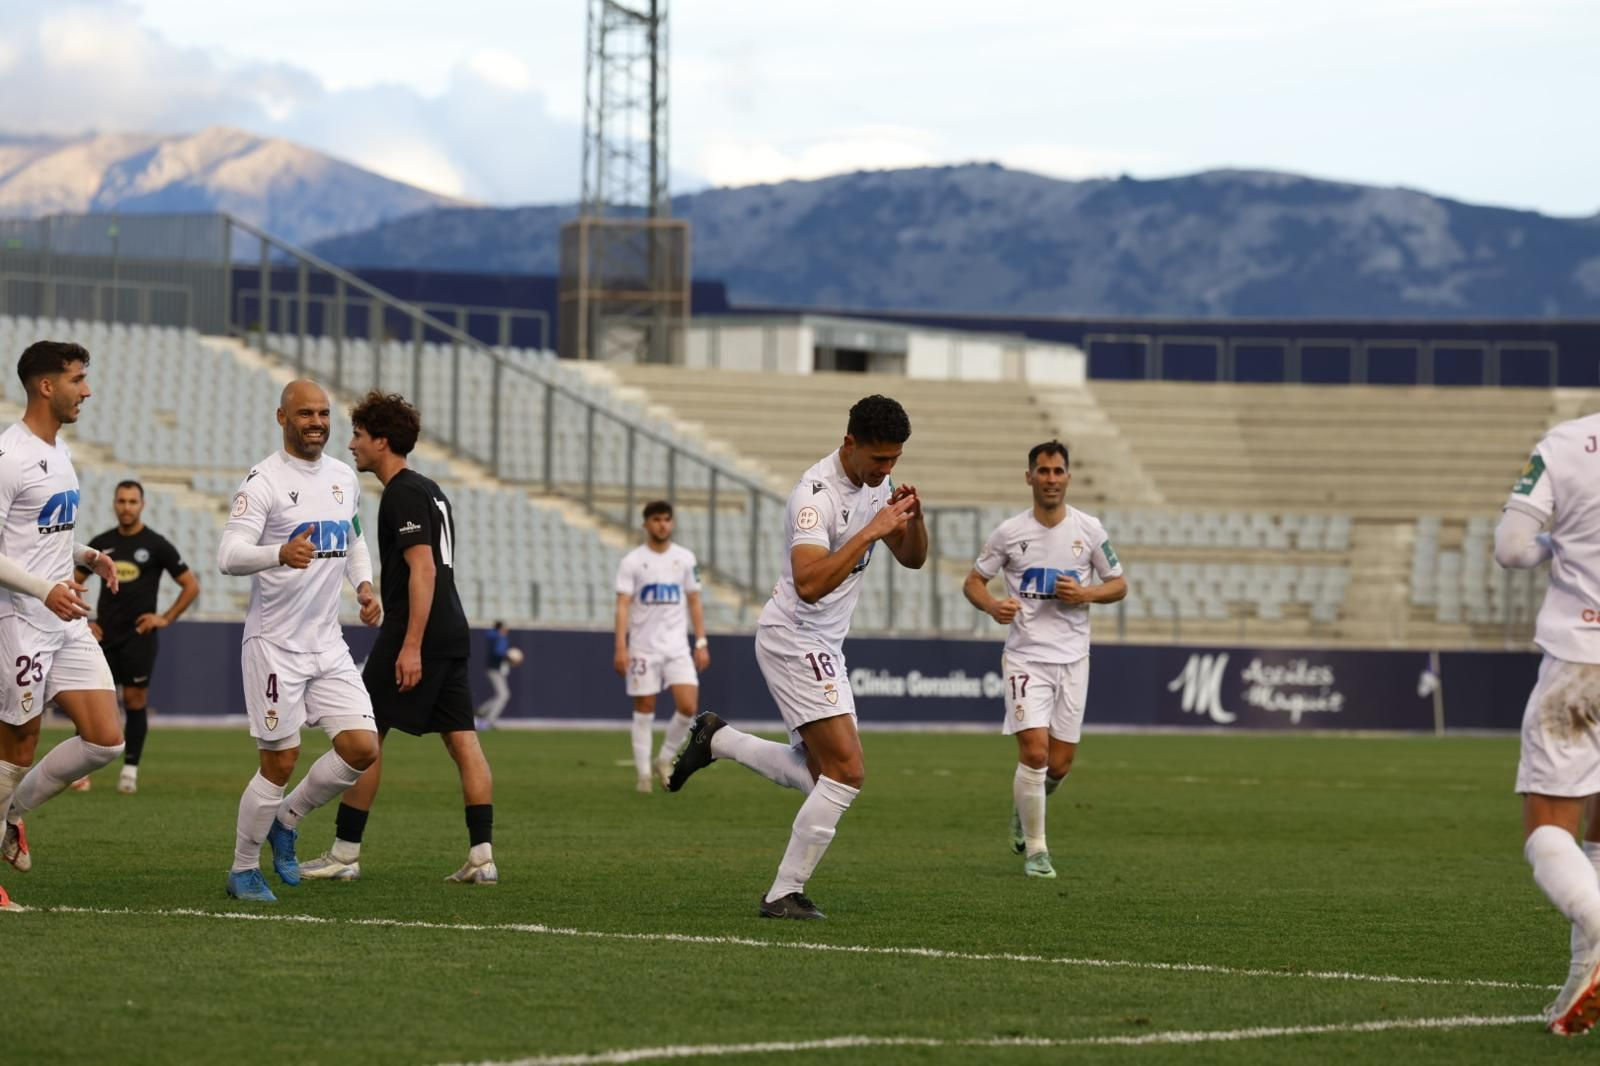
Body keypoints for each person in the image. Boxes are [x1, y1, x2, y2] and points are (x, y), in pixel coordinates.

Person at [667, 395, 924, 919]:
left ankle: (719, 739)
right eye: (879, 458)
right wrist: (872, 530)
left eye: (895, 459)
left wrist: (913, 520)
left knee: (821, 776)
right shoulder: (814, 496)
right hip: (794, 637)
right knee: (846, 772)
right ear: (850, 443)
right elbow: (808, 584)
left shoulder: (877, 485)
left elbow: (913, 558)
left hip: (825, 643)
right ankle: (783, 892)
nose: (887, 468)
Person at [299, 390, 497, 885]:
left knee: (366, 736)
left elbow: (423, 569)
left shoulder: (402, 493)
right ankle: (482, 856)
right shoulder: (430, 489)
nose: (351, 445)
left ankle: (345, 853)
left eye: (359, 435)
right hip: (450, 628)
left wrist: (410, 645)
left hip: (419, 633)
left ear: (382, 441)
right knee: (464, 741)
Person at [216, 379, 381, 903]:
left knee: (362, 747)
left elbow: (353, 539)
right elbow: (228, 555)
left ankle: (285, 820)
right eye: (306, 413)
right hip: (275, 645)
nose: (317, 423)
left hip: (327, 643)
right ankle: (243, 869)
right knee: (280, 762)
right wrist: (278, 554)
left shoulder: (342, 477)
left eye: (324, 414)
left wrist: (364, 586)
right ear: (282, 417)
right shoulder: (263, 480)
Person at [961, 441, 1125, 880]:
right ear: (1029, 477)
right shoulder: (1009, 533)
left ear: (1068, 477)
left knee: (1059, 764)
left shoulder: (1089, 530)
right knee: (1034, 752)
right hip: (1026, 658)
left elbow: (1119, 584)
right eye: (1043, 471)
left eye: (1058, 471)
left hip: (1073, 660)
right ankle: (1037, 852)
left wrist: (1086, 593)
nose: (1051, 479)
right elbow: (974, 581)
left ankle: (1025, 806)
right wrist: (993, 606)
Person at [0, 341, 125, 909]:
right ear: (46, 386)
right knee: (18, 746)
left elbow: (39, 533)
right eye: (77, 379)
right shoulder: (10, 456)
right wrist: (42, 589)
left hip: (63, 612)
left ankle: (12, 814)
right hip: (21, 618)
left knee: (105, 739)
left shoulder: (60, 449)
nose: (87, 390)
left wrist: (86, 556)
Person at [1496, 416, 1600, 1035]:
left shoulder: (1567, 444)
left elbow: (1512, 549)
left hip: (1583, 662)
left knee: (1548, 827)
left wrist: (1550, 546)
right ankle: (1576, 990)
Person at [71, 479, 200, 794]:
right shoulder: (101, 543)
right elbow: (72, 581)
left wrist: (165, 617)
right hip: (103, 636)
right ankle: (79, 772)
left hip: (139, 637)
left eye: (132, 501)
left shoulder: (156, 545)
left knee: (134, 700)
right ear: (114, 504)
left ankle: (130, 771)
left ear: (142, 505)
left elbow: (191, 586)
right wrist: (83, 621)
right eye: (121, 501)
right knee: (91, 702)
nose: (126, 507)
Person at [614, 500, 710, 793]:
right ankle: (643, 774)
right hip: (643, 648)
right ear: (646, 524)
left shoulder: (685, 559)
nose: (662, 524)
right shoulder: (632, 561)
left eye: (667, 519)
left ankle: (665, 758)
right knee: (645, 707)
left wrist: (701, 641)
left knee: (688, 706)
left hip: (677, 647)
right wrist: (621, 646)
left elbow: (694, 600)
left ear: (672, 523)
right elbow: (622, 605)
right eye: (656, 519)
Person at [476, 621, 512, 727]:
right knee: (503, 695)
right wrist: (510, 658)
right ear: (500, 628)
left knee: (502, 695)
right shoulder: (500, 638)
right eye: (504, 628)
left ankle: (482, 710)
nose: (506, 630)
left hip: (493, 669)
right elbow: (499, 653)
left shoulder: (493, 637)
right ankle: (489, 720)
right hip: (495, 669)